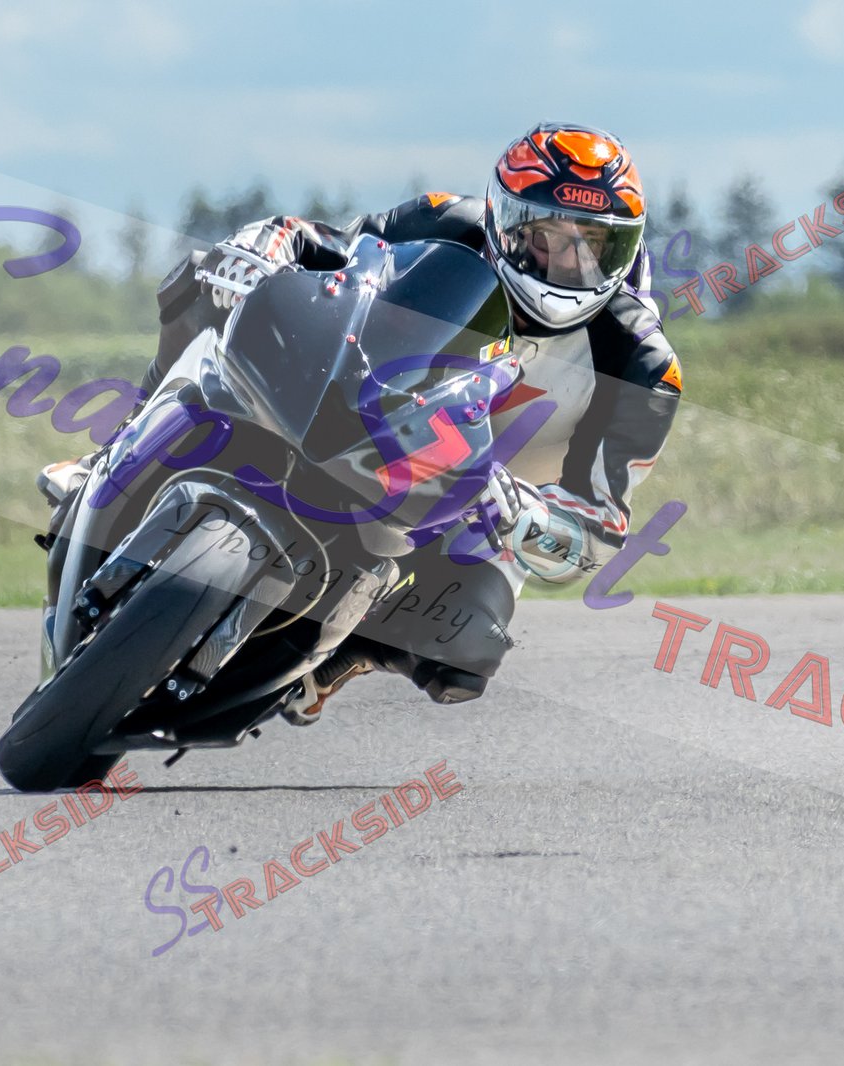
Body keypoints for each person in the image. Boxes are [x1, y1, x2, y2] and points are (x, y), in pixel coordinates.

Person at [39, 122, 684, 721]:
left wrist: (529, 517)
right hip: (376, 406)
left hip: (488, 500)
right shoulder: (445, 220)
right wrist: (258, 251)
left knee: (465, 643)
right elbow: (325, 250)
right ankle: (110, 454)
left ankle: (342, 657)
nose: (564, 262)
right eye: (543, 235)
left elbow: (600, 528)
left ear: (623, 249)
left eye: (590, 245)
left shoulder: (643, 365)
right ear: (503, 219)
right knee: (201, 286)